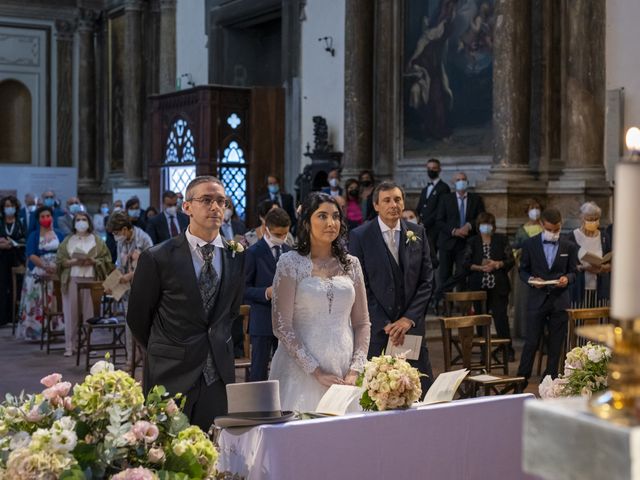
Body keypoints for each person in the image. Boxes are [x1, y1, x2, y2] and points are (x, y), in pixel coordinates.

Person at [127, 176, 246, 431]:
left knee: (213, 452)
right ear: (187, 207)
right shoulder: (158, 257)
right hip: (171, 370)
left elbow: (231, 311)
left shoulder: (235, 255)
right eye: (206, 200)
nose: (215, 207)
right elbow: (138, 316)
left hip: (217, 373)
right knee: (168, 454)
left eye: (221, 201)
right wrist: (166, 346)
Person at [269, 192, 370, 411]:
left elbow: (362, 323)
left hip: (345, 366)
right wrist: (316, 371)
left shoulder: (352, 264)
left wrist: (356, 369)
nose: (331, 223)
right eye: (322, 216)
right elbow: (282, 326)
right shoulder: (290, 263)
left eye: (335, 216)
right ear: (306, 222)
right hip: (302, 369)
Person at [350, 181, 434, 394]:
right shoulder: (360, 236)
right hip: (378, 328)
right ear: (376, 205)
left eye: (397, 199)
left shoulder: (417, 233)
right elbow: (360, 285)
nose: (393, 204)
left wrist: (408, 319)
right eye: (387, 200)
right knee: (378, 392)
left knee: (417, 389)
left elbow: (427, 281)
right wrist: (385, 323)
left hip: (411, 329)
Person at [516, 208, 578, 383]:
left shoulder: (569, 246)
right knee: (531, 342)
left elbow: (574, 272)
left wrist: (567, 278)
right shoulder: (530, 244)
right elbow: (523, 270)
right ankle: (522, 378)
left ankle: (550, 378)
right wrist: (530, 279)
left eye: (556, 229)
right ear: (542, 224)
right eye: (550, 229)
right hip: (537, 298)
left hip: (559, 300)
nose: (553, 233)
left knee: (556, 344)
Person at [244, 208, 292, 381]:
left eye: (285, 234)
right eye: (278, 234)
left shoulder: (289, 250)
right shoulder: (253, 252)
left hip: (287, 320)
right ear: (266, 229)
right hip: (263, 318)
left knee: (285, 369)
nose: (282, 237)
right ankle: (257, 406)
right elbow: (243, 289)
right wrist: (266, 292)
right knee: (259, 369)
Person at [56, 212, 113, 356]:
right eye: (78, 219)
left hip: (91, 279)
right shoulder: (68, 240)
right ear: (74, 223)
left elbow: (106, 260)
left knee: (89, 313)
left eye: (84, 219)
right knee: (71, 314)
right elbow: (60, 261)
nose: (81, 222)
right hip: (72, 279)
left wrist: (94, 261)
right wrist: (74, 262)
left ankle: (87, 344)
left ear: (89, 222)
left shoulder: (97, 240)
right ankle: (70, 345)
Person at [464, 212, 515, 360]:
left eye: (489, 224)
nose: (486, 227)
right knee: (480, 319)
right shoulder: (473, 241)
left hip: (498, 286)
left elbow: (510, 260)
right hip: (478, 286)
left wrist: (497, 264)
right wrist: (480, 267)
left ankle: (506, 349)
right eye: (483, 224)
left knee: (501, 318)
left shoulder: (501, 239)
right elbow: (465, 263)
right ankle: (484, 350)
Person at [16, 206, 65, 341]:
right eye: (42, 217)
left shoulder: (60, 234)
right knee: (37, 301)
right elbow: (31, 255)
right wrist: (45, 266)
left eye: (48, 216)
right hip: (38, 272)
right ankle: (36, 331)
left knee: (55, 300)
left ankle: (55, 329)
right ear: (38, 219)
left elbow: (64, 252)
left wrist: (57, 266)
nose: (45, 219)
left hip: (57, 272)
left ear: (52, 217)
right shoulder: (34, 235)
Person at [435, 171, 485, 295]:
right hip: (448, 242)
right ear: (453, 183)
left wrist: (469, 225)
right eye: (458, 180)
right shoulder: (446, 199)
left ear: (467, 182)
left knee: (461, 275)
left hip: (466, 243)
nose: (461, 182)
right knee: (445, 274)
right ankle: (444, 304)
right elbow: (439, 220)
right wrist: (454, 231)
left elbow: (481, 218)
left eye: (463, 179)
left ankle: (461, 305)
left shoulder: (476, 199)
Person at [566, 201, 611, 307]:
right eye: (590, 219)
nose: (593, 221)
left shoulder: (604, 237)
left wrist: (604, 268)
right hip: (578, 289)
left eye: (595, 219)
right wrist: (583, 267)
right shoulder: (571, 237)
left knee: (600, 320)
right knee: (579, 321)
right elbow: (566, 264)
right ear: (581, 218)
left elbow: (610, 261)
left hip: (600, 289)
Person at [512, 198, 544, 339]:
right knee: (525, 301)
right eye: (532, 208)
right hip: (526, 270)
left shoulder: (545, 229)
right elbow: (515, 249)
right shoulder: (521, 230)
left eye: (537, 208)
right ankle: (525, 332)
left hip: (542, 270)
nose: (535, 211)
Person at [415, 158, 451, 263]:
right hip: (422, 227)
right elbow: (420, 206)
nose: (431, 170)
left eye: (434, 168)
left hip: (434, 229)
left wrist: (424, 223)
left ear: (439, 170)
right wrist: (416, 219)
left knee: (431, 258)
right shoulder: (425, 189)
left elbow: (440, 210)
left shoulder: (444, 188)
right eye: (429, 168)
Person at [0, 195, 26, 325]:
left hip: (16, 258)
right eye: (6, 206)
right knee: (2, 287)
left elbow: (24, 239)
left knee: (16, 287)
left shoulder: (20, 222)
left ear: (15, 207)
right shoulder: (0, 221)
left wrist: (13, 243)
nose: (8, 208)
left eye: (11, 206)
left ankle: (14, 317)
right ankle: (2, 318)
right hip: (1, 259)